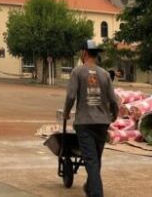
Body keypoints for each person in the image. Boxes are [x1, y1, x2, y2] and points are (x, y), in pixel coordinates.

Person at [62, 40, 120, 197]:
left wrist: (66, 112)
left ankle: (95, 193)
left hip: (85, 123)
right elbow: (113, 100)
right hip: (102, 123)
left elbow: (71, 96)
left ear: (84, 53)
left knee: (91, 160)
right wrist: (113, 115)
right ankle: (89, 186)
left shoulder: (77, 72)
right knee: (96, 159)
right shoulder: (105, 74)